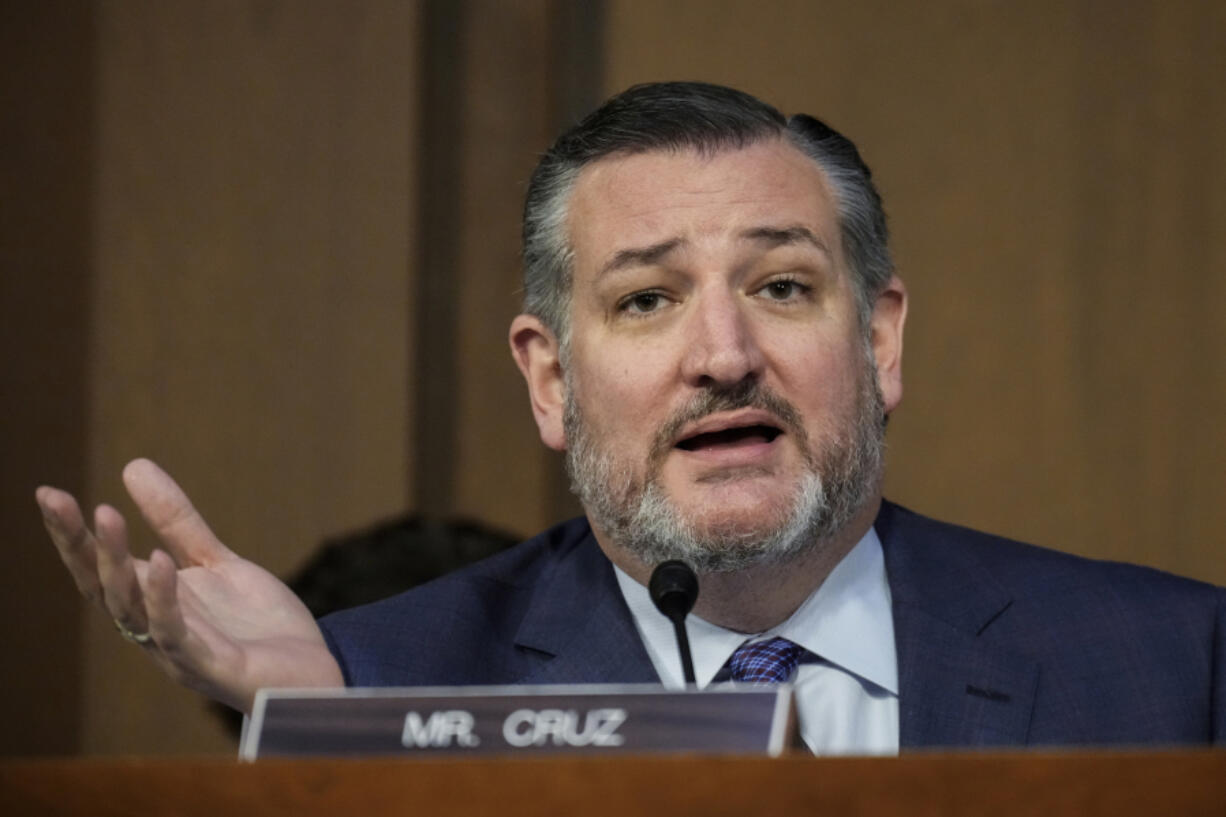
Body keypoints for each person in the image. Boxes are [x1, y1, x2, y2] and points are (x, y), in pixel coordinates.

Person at [37, 82, 1224, 753]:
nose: (722, 356)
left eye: (780, 287)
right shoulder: (383, 686)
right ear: (550, 381)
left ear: (877, 339)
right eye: (646, 300)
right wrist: (350, 739)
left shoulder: (1172, 668)